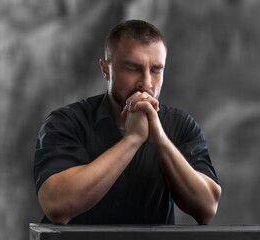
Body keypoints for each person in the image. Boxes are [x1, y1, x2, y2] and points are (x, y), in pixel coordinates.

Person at [34, 19, 221, 225]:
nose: (147, 83)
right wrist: (133, 139)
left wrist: (160, 140)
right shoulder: (66, 122)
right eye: (133, 68)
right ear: (106, 69)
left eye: (156, 70)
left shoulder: (182, 125)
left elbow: (207, 208)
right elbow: (57, 206)